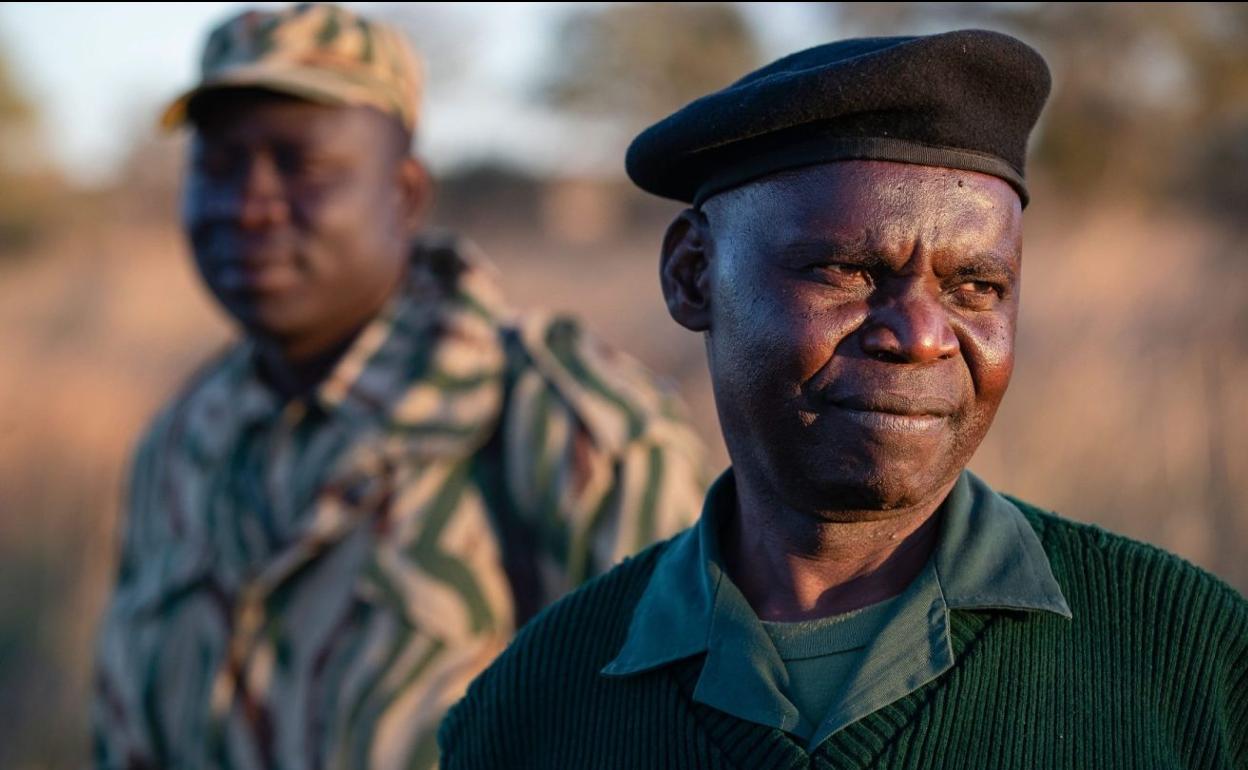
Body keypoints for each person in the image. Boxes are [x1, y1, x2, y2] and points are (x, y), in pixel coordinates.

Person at [439, 29, 1248, 769]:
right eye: (849, 272)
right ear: (692, 274)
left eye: (977, 286)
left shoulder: (1192, 660)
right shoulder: (538, 703)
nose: (923, 335)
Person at [90, 5, 706, 769]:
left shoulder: (562, 420)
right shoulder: (181, 441)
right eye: (217, 165)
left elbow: (676, 737)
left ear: (406, 191)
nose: (246, 205)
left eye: (301, 165)